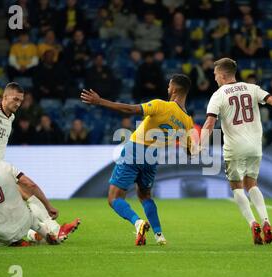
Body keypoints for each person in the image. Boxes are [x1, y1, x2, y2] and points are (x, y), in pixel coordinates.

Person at [200, 58, 272, 245]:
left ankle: (253, 223)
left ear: (223, 75)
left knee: (236, 187)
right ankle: (266, 221)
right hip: (255, 146)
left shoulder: (218, 95)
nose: (215, 77)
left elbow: (210, 122)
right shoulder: (252, 88)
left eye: (216, 74)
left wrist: (200, 144)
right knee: (252, 184)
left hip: (234, 147)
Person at [0, 82, 79, 246]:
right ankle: (55, 229)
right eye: (15, 99)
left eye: (20, 101)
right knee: (27, 191)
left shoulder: (11, 116)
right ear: (4, 97)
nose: (18, 103)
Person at [81, 74, 195, 246]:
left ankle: (138, 222)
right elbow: (190, 151)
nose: (167, 89)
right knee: (145, 195)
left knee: (114, 198)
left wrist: (100, 101)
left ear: (175, 89)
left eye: (169, 86)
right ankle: (159, 235)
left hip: (135, 149)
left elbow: (130, 109)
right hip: (153, 156)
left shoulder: (161, 105)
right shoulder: (187, 121)